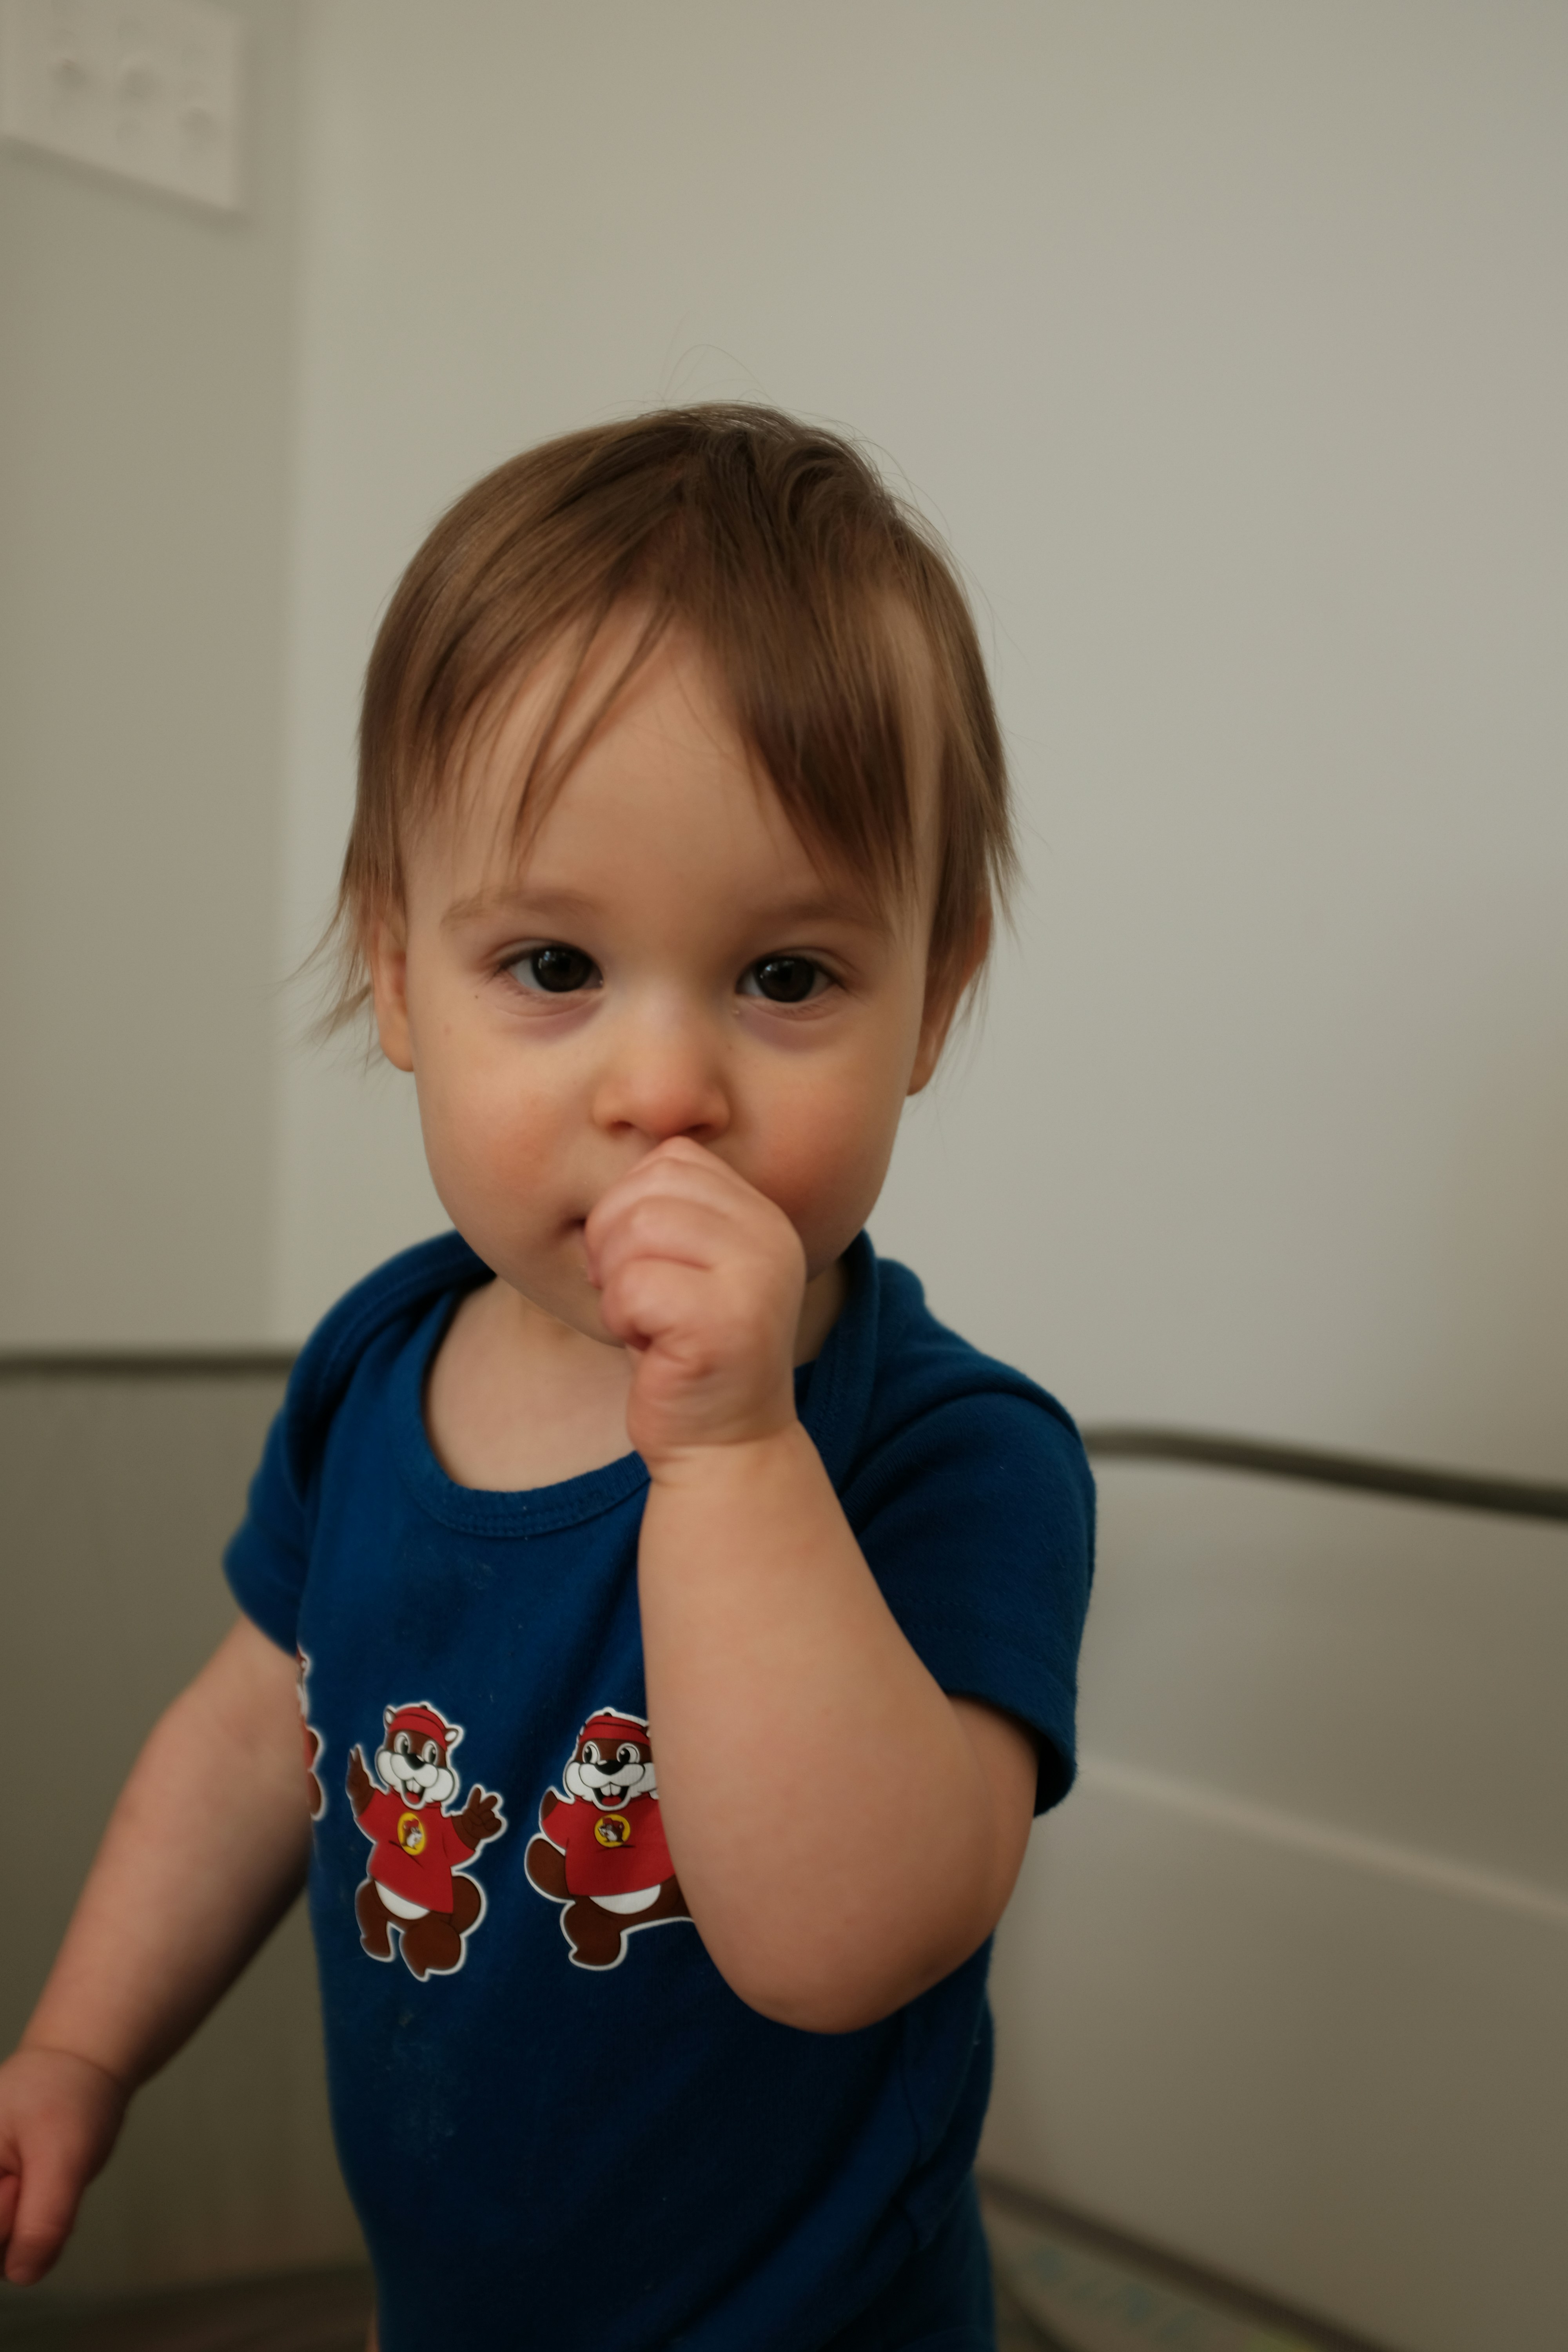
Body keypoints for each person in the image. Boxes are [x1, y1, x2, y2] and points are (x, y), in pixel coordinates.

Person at [0, 407, 1094, 2350]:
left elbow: (843, 1946)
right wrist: (85, 2048)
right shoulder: (375, 1368)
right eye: (555, 965)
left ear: (932, 996)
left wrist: (735, 1448)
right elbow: (261, 1738)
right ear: (400, 973)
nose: (662, 1088)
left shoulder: (950, 1456)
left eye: (785, 977)